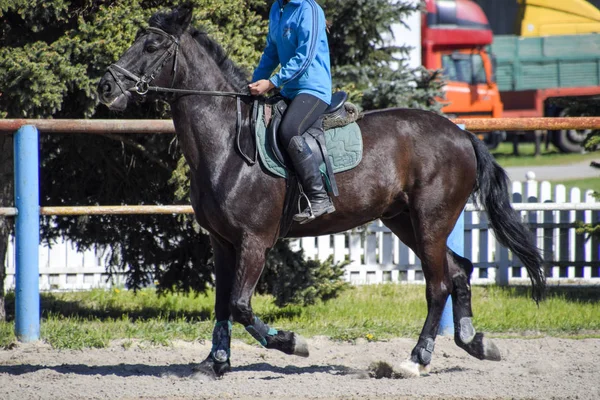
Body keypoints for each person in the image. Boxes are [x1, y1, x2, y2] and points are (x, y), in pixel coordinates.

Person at [249, 0, 334, 224]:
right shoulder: (277, 8)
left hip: (314, 90)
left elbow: (305, 57)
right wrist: (252, 82)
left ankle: (319, 197)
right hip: (291, 90)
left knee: (289, 130)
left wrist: (272, 82)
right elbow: (271, 52)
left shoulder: (309, 9)